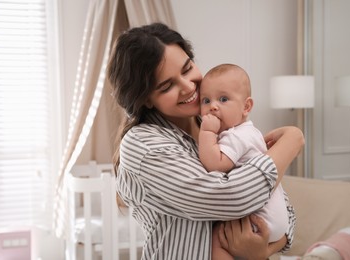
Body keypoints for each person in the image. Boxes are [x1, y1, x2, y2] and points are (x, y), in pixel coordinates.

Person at [107, 22, 304, 260]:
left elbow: (285, 210)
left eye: (187, 68)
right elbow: (233, 197)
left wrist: (263, 250)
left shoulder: (219, 125)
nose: (188, 86)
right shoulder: (144, 145)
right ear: (145, 99)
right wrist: (291, 142)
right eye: (167, 85)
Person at [198, 63, 291, 260]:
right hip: (274, 220)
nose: (212, 106)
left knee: (217, 238)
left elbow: (215, 164)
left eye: (223, 99)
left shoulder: (238, 135)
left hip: (261, 220)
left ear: (246, 107)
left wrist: (206, 132)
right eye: (206, 100)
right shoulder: (248, 132)